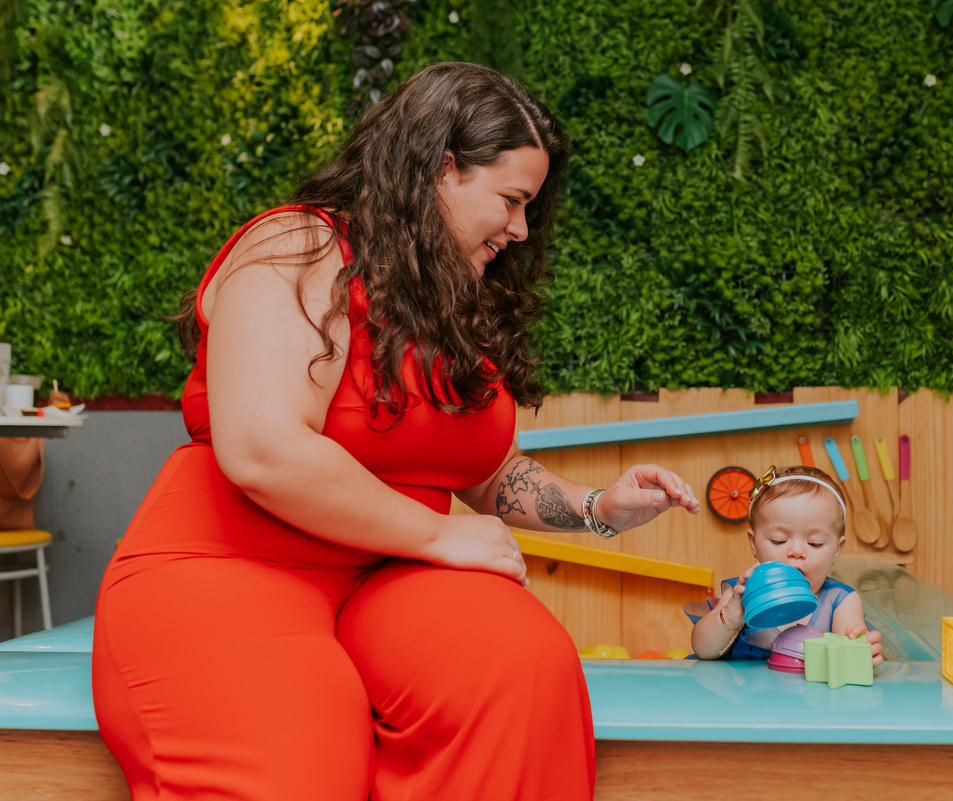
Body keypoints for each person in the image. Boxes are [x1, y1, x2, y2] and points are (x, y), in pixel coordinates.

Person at [91, 61, 700, 801]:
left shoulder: (446, 301)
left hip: (390, 575)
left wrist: (599, 506)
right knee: (298, 761)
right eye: (512, 200)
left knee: (520, 674)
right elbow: (263, 449)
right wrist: (439, 535)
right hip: (233, 561)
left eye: (530, 208)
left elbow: (481, 472)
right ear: (442, 167)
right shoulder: (297, 249)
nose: (521, 228)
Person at [688, 465, 883, 662]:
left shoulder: (840, 602)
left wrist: (859, 653)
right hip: (747, 692)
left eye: (815, 543)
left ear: (836, 551)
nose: (796, 552)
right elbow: (703, 650)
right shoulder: (740, 597)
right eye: (779, 540)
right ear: (754, 544)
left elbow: (849, 654)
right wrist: (729, 617)